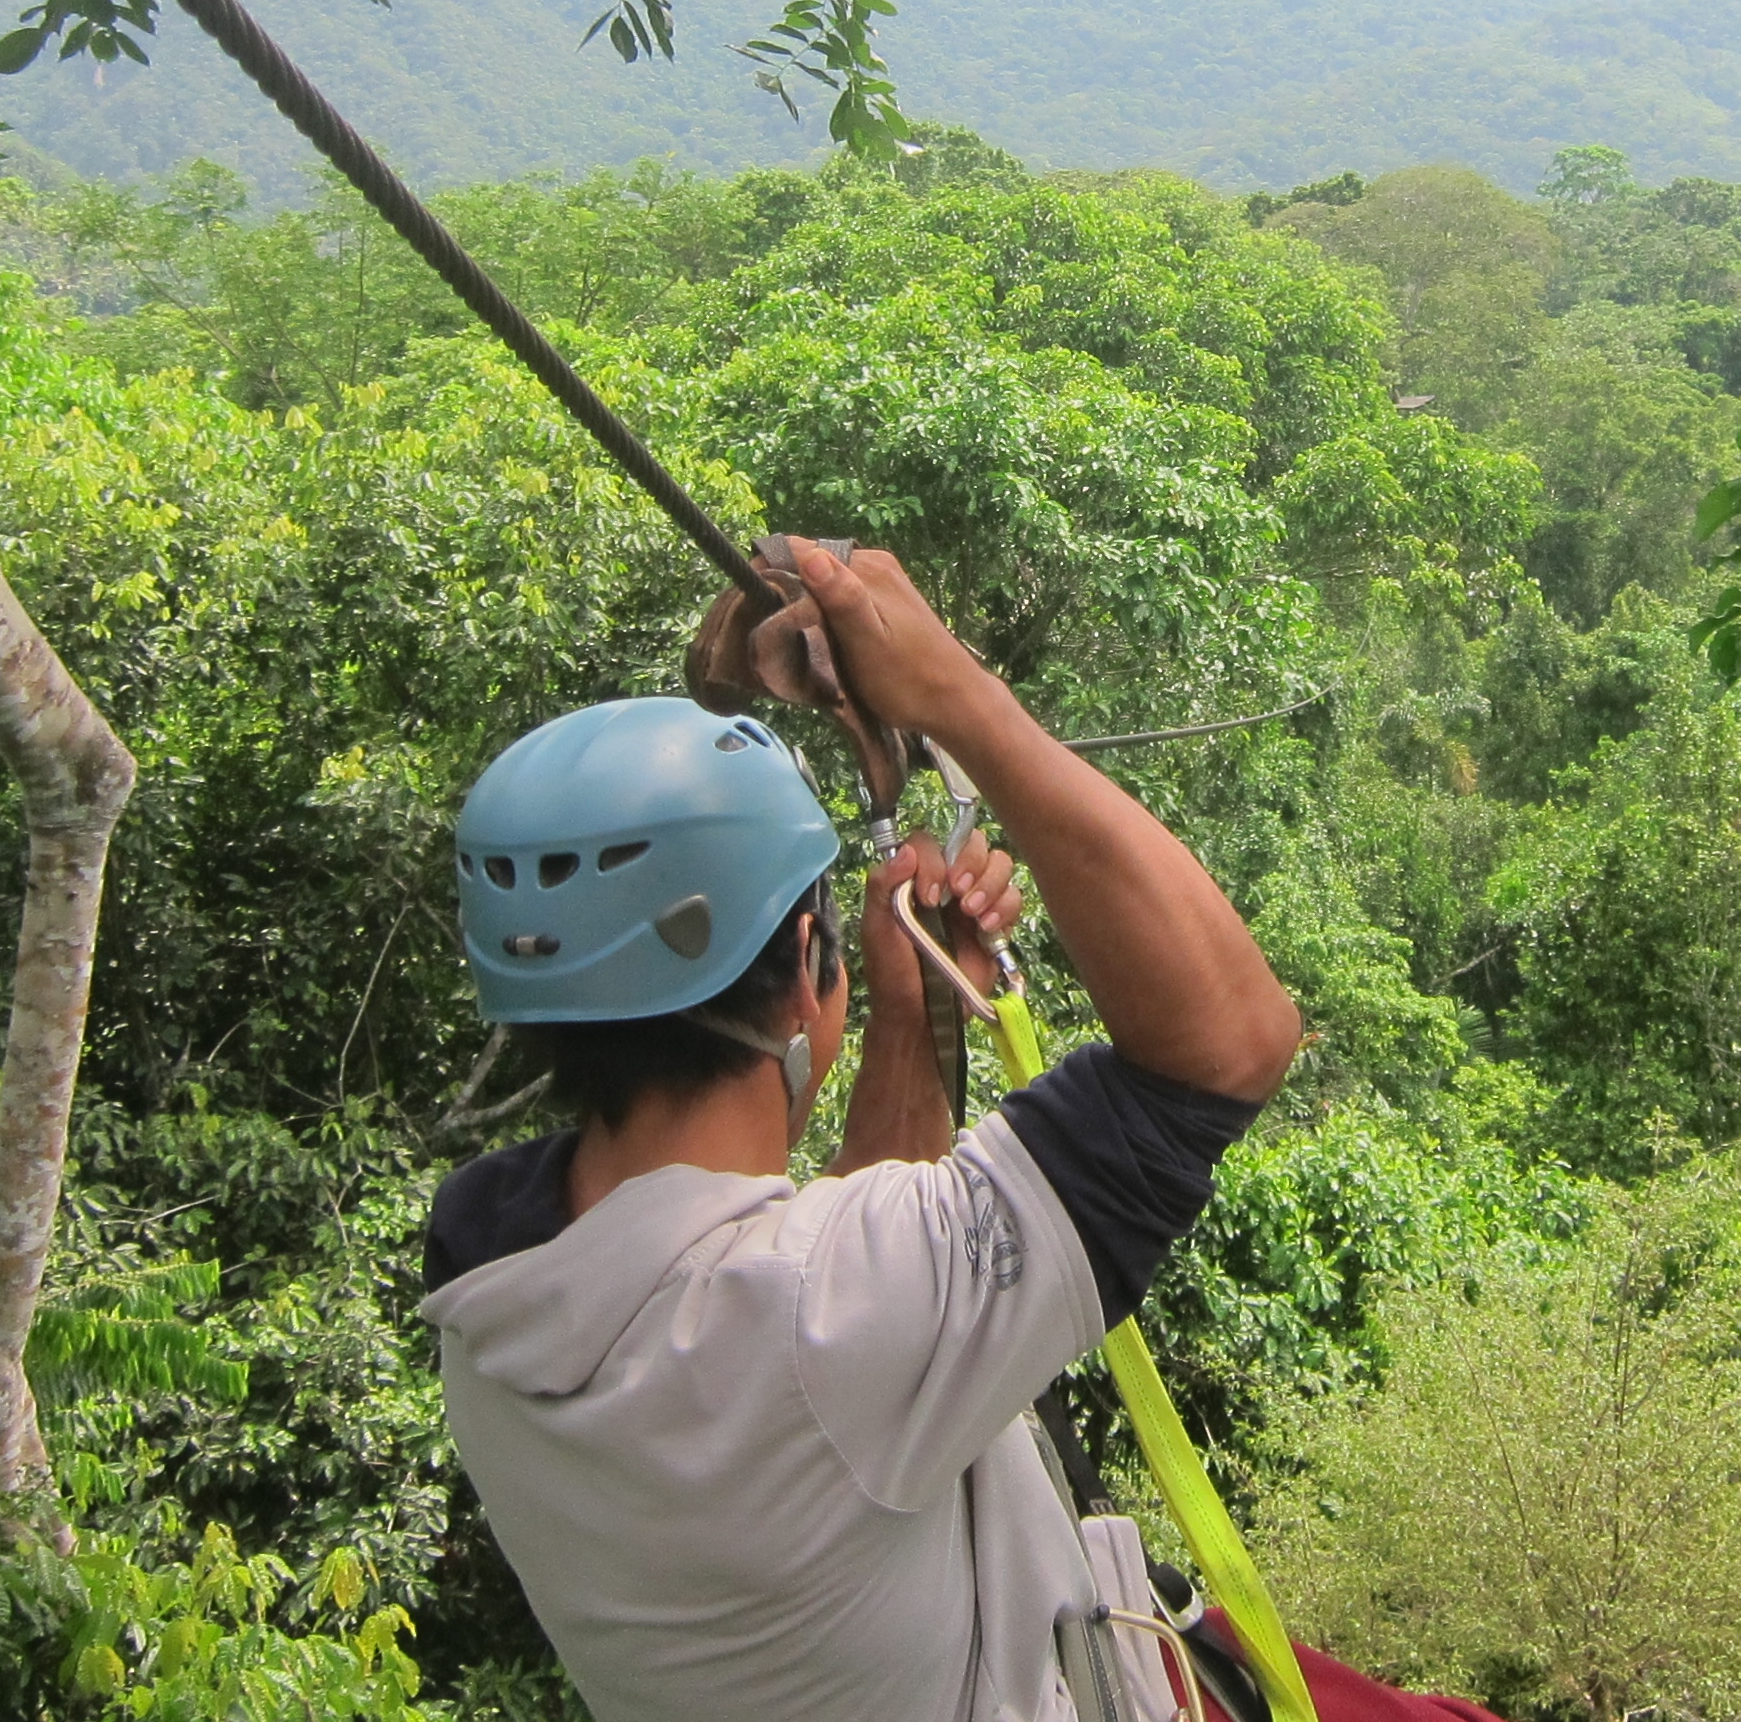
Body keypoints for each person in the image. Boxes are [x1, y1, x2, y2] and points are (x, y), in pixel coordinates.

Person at [420, 541, 1304, 1722]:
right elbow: (1229, 1041)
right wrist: (955, 692)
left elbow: (829, 1338)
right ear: (802, 964)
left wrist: (913, 1012)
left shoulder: (494, 1287)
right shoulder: (824, 1318)